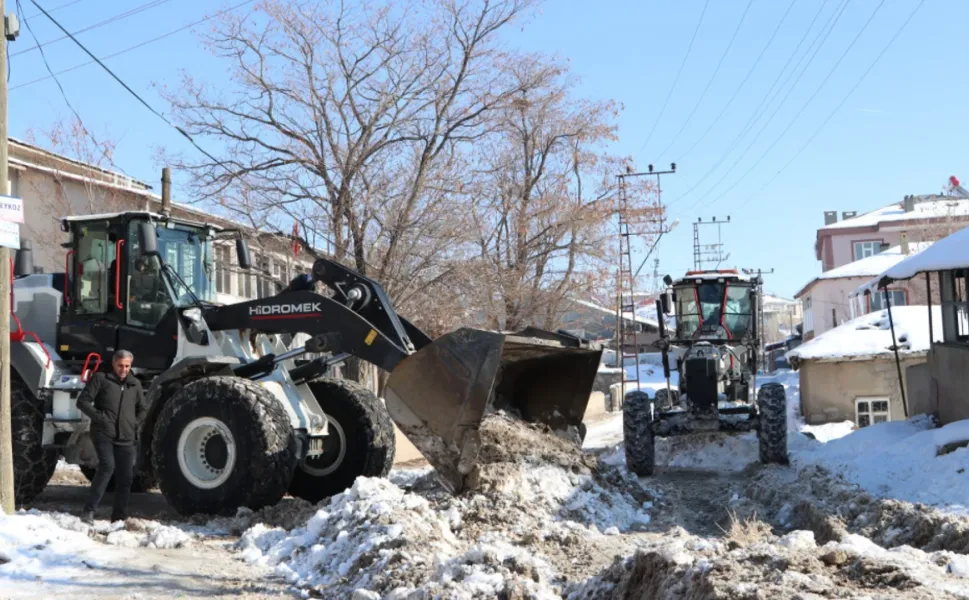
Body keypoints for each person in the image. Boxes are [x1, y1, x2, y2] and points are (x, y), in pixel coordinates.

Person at [76, 349, 146, 524]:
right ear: (114, 364)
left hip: (126, 436)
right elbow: (82, 401)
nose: (124, 369)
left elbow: (143, 408)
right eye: (120, 365)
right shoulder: (100, 378)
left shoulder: (135, 384)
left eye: (127, 366)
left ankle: (119, 518)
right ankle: (89, 512)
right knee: (107, 467)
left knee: (126, 477)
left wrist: (134, 423)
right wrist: (101, 419)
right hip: (103, 433)